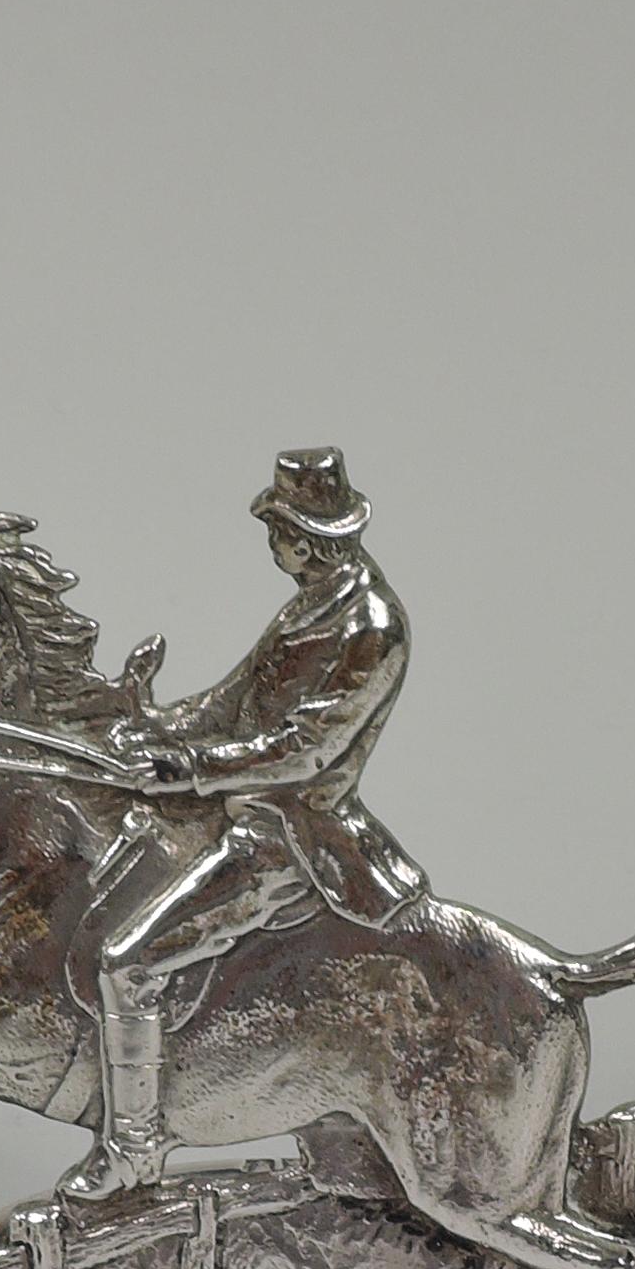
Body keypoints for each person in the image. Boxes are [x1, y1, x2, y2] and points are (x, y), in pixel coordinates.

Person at [60, 449, 429, 1202]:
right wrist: (151, 728)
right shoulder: (306, 605)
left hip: (293, 841)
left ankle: (133, 1147)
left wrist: (187, 768)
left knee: (127, 961)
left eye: (277, 529)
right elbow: (231, 703)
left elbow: (305, 750)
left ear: (305, 536)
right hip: (240, 813)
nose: (271, 543)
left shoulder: (372, 625)